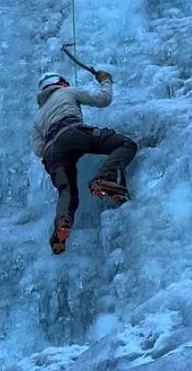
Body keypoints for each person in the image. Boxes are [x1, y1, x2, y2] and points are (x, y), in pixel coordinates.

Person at [32, 71, 138, 255]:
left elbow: (38, 150)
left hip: (51, 152)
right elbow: (103, 99)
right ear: (61, 82)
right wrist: (105, 81)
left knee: (67, 192)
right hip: (72, 131)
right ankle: (104, 178)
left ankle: (61, 226)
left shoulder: (38, 117)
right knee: (126, 144)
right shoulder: (66, 92)